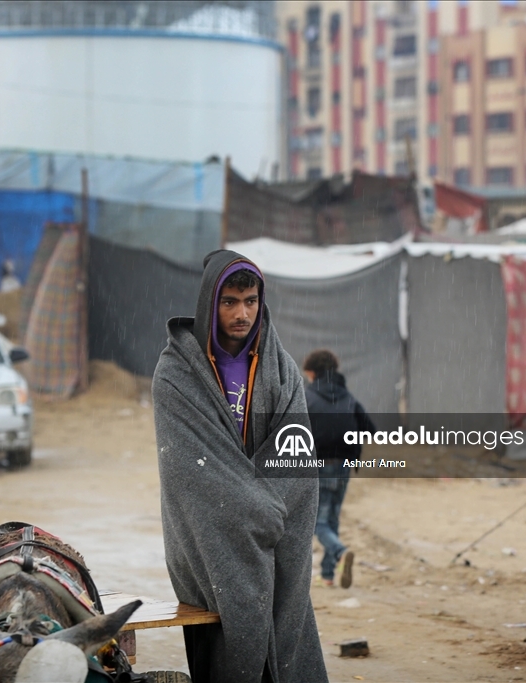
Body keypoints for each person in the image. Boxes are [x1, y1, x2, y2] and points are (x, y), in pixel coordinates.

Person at [153, 250, 327, 683]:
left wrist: (271, 512)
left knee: (287, 631)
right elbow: (192, 471)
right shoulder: (176, 375)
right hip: (211, 534)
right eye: (229, 301)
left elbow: (297, 455)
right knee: (228, 641)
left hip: (278, 533)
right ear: (210, 304)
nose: (241, 313)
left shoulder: (282, 370)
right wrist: (256, 509)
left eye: (250, 301)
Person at [303, 349, 375, 588]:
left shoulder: (306, 397)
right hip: (345, 466)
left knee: (317, 523)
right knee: (331, 518)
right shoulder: (348, 397)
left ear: (312, 372)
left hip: (319, 466)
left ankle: (341, 551)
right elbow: (370, 430)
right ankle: (328, 575)